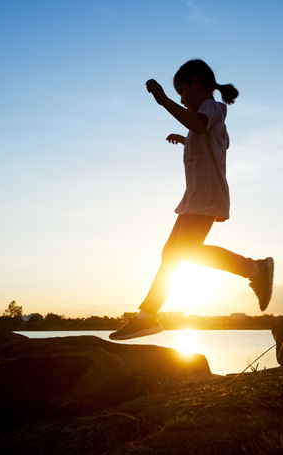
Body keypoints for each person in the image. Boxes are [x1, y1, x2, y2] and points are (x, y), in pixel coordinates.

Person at [109, 59, 273, 340]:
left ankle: (256, 268)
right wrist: (186, 140)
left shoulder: (212, 107)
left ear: (197, 84)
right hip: (196, 196)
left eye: (182, 94)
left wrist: (162, 101)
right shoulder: (208, 117)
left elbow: (199, 127)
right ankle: (147, 317)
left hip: (205, 196)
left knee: (182, 252)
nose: (182, 101)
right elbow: (211, 139)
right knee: (170, 253)